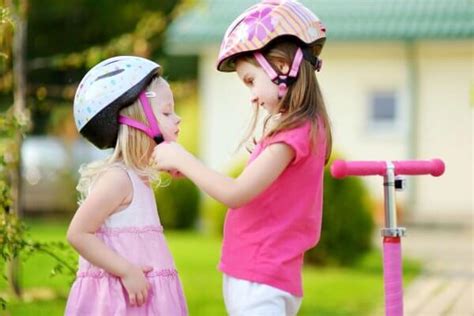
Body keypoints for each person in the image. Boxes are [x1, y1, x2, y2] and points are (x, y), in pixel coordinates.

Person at [152, 1, 332, 315]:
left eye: (250, 80)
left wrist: (182, 158)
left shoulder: (291, 133)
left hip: (259, 278)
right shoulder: (308, 127)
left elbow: (236, 194)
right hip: (269, 276)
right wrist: (193, 170)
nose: (250, 94)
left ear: (281, 66)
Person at [65, 56, 188, 315]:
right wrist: (126, 270)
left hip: (143, 297)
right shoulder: (118, 179)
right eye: (166, 112)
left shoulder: (138, 176)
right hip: (119, 301)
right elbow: (78, 233)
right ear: (138, 123)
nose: (178, 119)